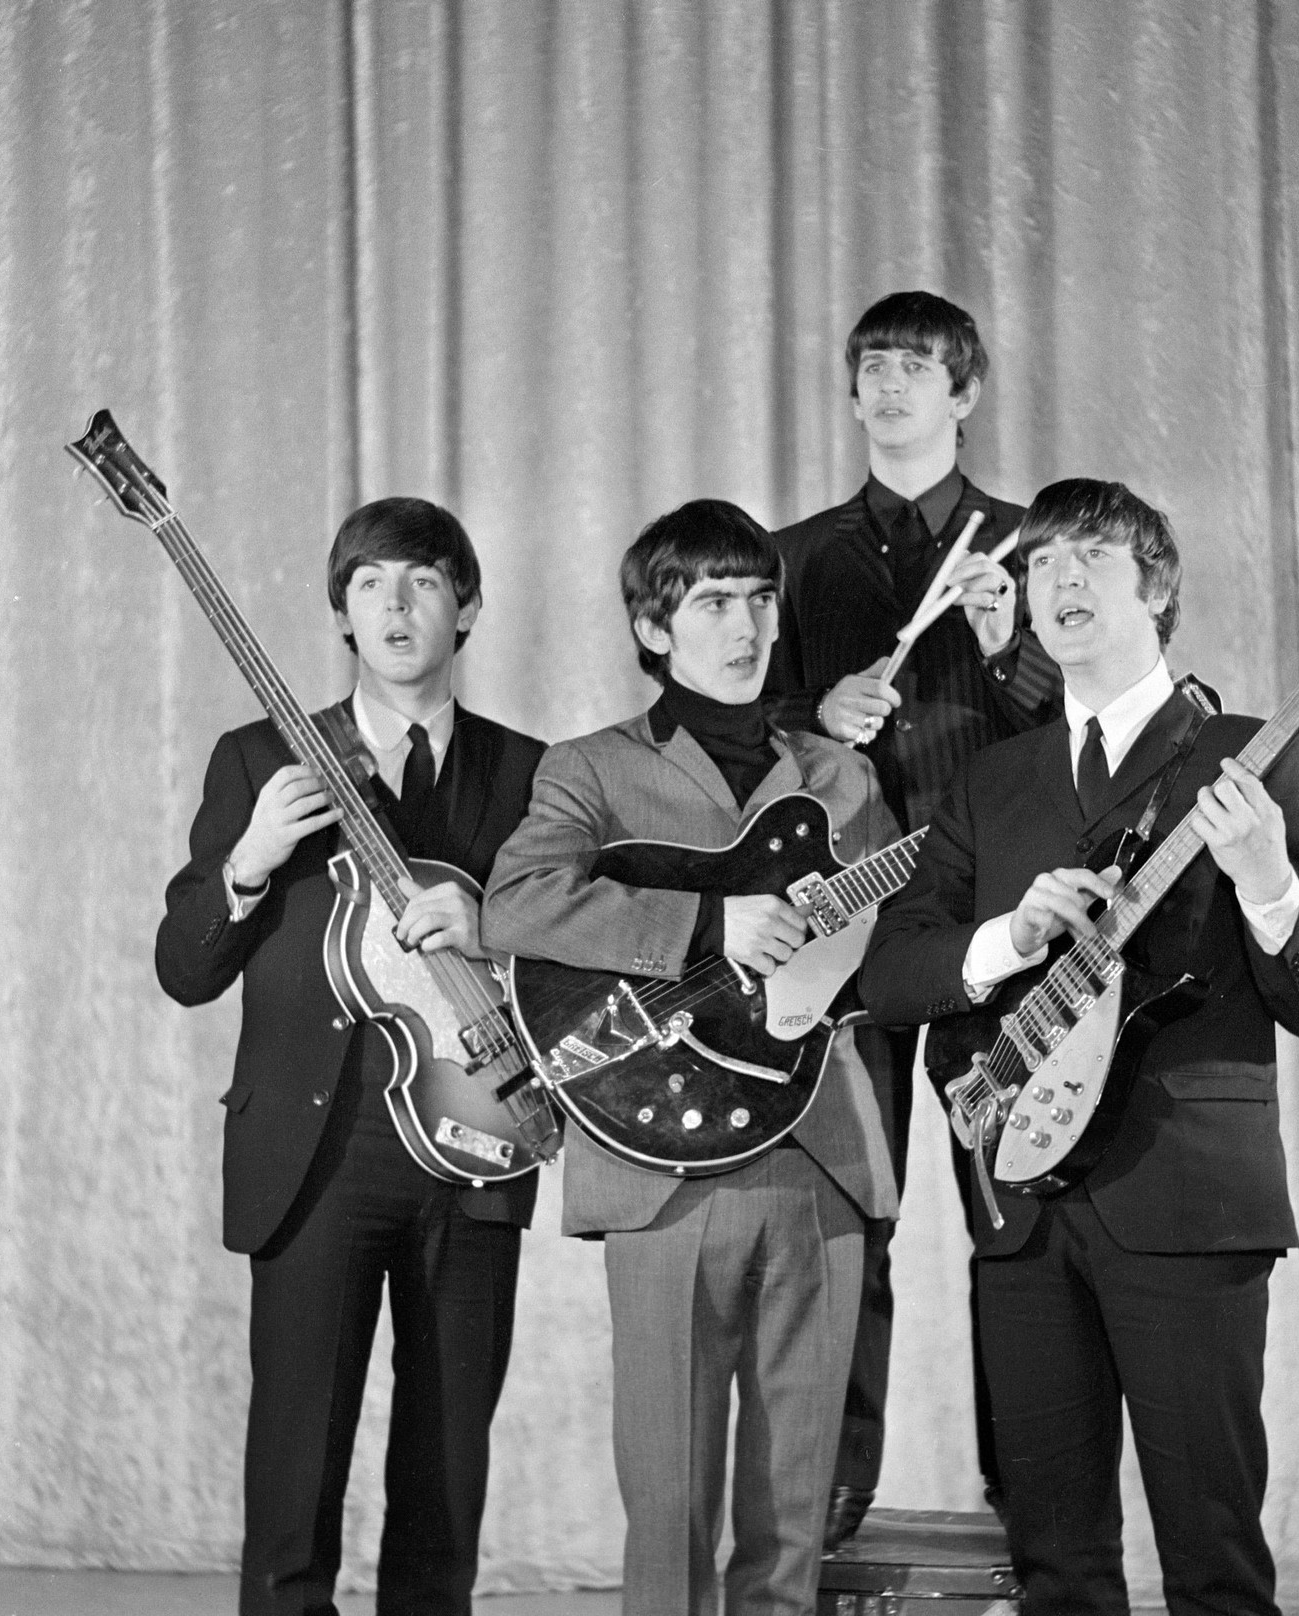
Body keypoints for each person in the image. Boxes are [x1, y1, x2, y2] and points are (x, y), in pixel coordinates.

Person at [859, 478, 1299, 1614]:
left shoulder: (1243, 751)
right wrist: (1005, 935)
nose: (1061, 581)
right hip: (1023, 1206)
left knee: (1213, 1555)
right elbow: (893, 974)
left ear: (1158, 589)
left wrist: (1266, 879)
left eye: (1091, 558)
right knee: (1056, 1565)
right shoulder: (995, 777)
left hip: (1186, 1200)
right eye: (1043, 566)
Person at [482, 500, 900, 1616]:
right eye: (713, 600)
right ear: (653, 626)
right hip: (659, 1165)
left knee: (793, 1510)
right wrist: (708, 928)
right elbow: (516, 903)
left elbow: (896, 944)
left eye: (761, 598)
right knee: (668, 1509)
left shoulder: (841, 777)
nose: (746, 623)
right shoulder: (592, 769)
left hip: (819, 1150)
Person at [155, 498, 546, 1616]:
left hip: (473, 1142)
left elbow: (573, 958)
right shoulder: (261, 758)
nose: (397, 603)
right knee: (293, 1471)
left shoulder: (532, 772)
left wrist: (493, 927)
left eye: (424, 579)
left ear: (464, 605)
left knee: (445, 1479)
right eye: (371, 582)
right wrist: (249, 858)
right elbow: (184, 967)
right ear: (340, 611)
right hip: (313, 1152)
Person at [763, 289, 1060, 1542]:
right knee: (849, 1209)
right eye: (870, 367)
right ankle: (833, 1483)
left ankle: (1032, 1484)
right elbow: (742, 739)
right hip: (851, 923)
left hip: (994, 920)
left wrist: (1005, 653)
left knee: (1013, 1200)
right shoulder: (791, 555)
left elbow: (1077, 732)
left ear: (966, 391)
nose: (888, 388)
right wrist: (807, 723)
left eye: (915, 367)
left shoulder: (1029, 541)